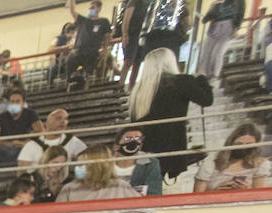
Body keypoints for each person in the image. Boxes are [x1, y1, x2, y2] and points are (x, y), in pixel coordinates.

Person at [129, 47, 213, 178]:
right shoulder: (181, 81)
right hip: (170, 148)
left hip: (144, 149)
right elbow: (207, 100)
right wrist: (202, 80)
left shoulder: (138, 90)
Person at [193, 122, 270, 191]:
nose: (243, 148)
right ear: (231, 142)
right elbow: (196, 197)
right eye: (239, 144)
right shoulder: (211, 164)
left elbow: (259, 196)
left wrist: (247, 190)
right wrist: (215, 191)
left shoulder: (260, 165)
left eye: (248, 145)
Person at [57, 144, 142, 201]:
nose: (77, 168)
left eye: (82, 165)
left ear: (97, 166)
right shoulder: (69, 189)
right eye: (78, 164)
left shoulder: (120, 186)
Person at [112, 125, 164, 195]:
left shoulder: (150, 163)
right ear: (116, 146)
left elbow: (154, 194)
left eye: (137, 138)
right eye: (128, 138)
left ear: (141, 145)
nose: (133, 141)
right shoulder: (104, 164)